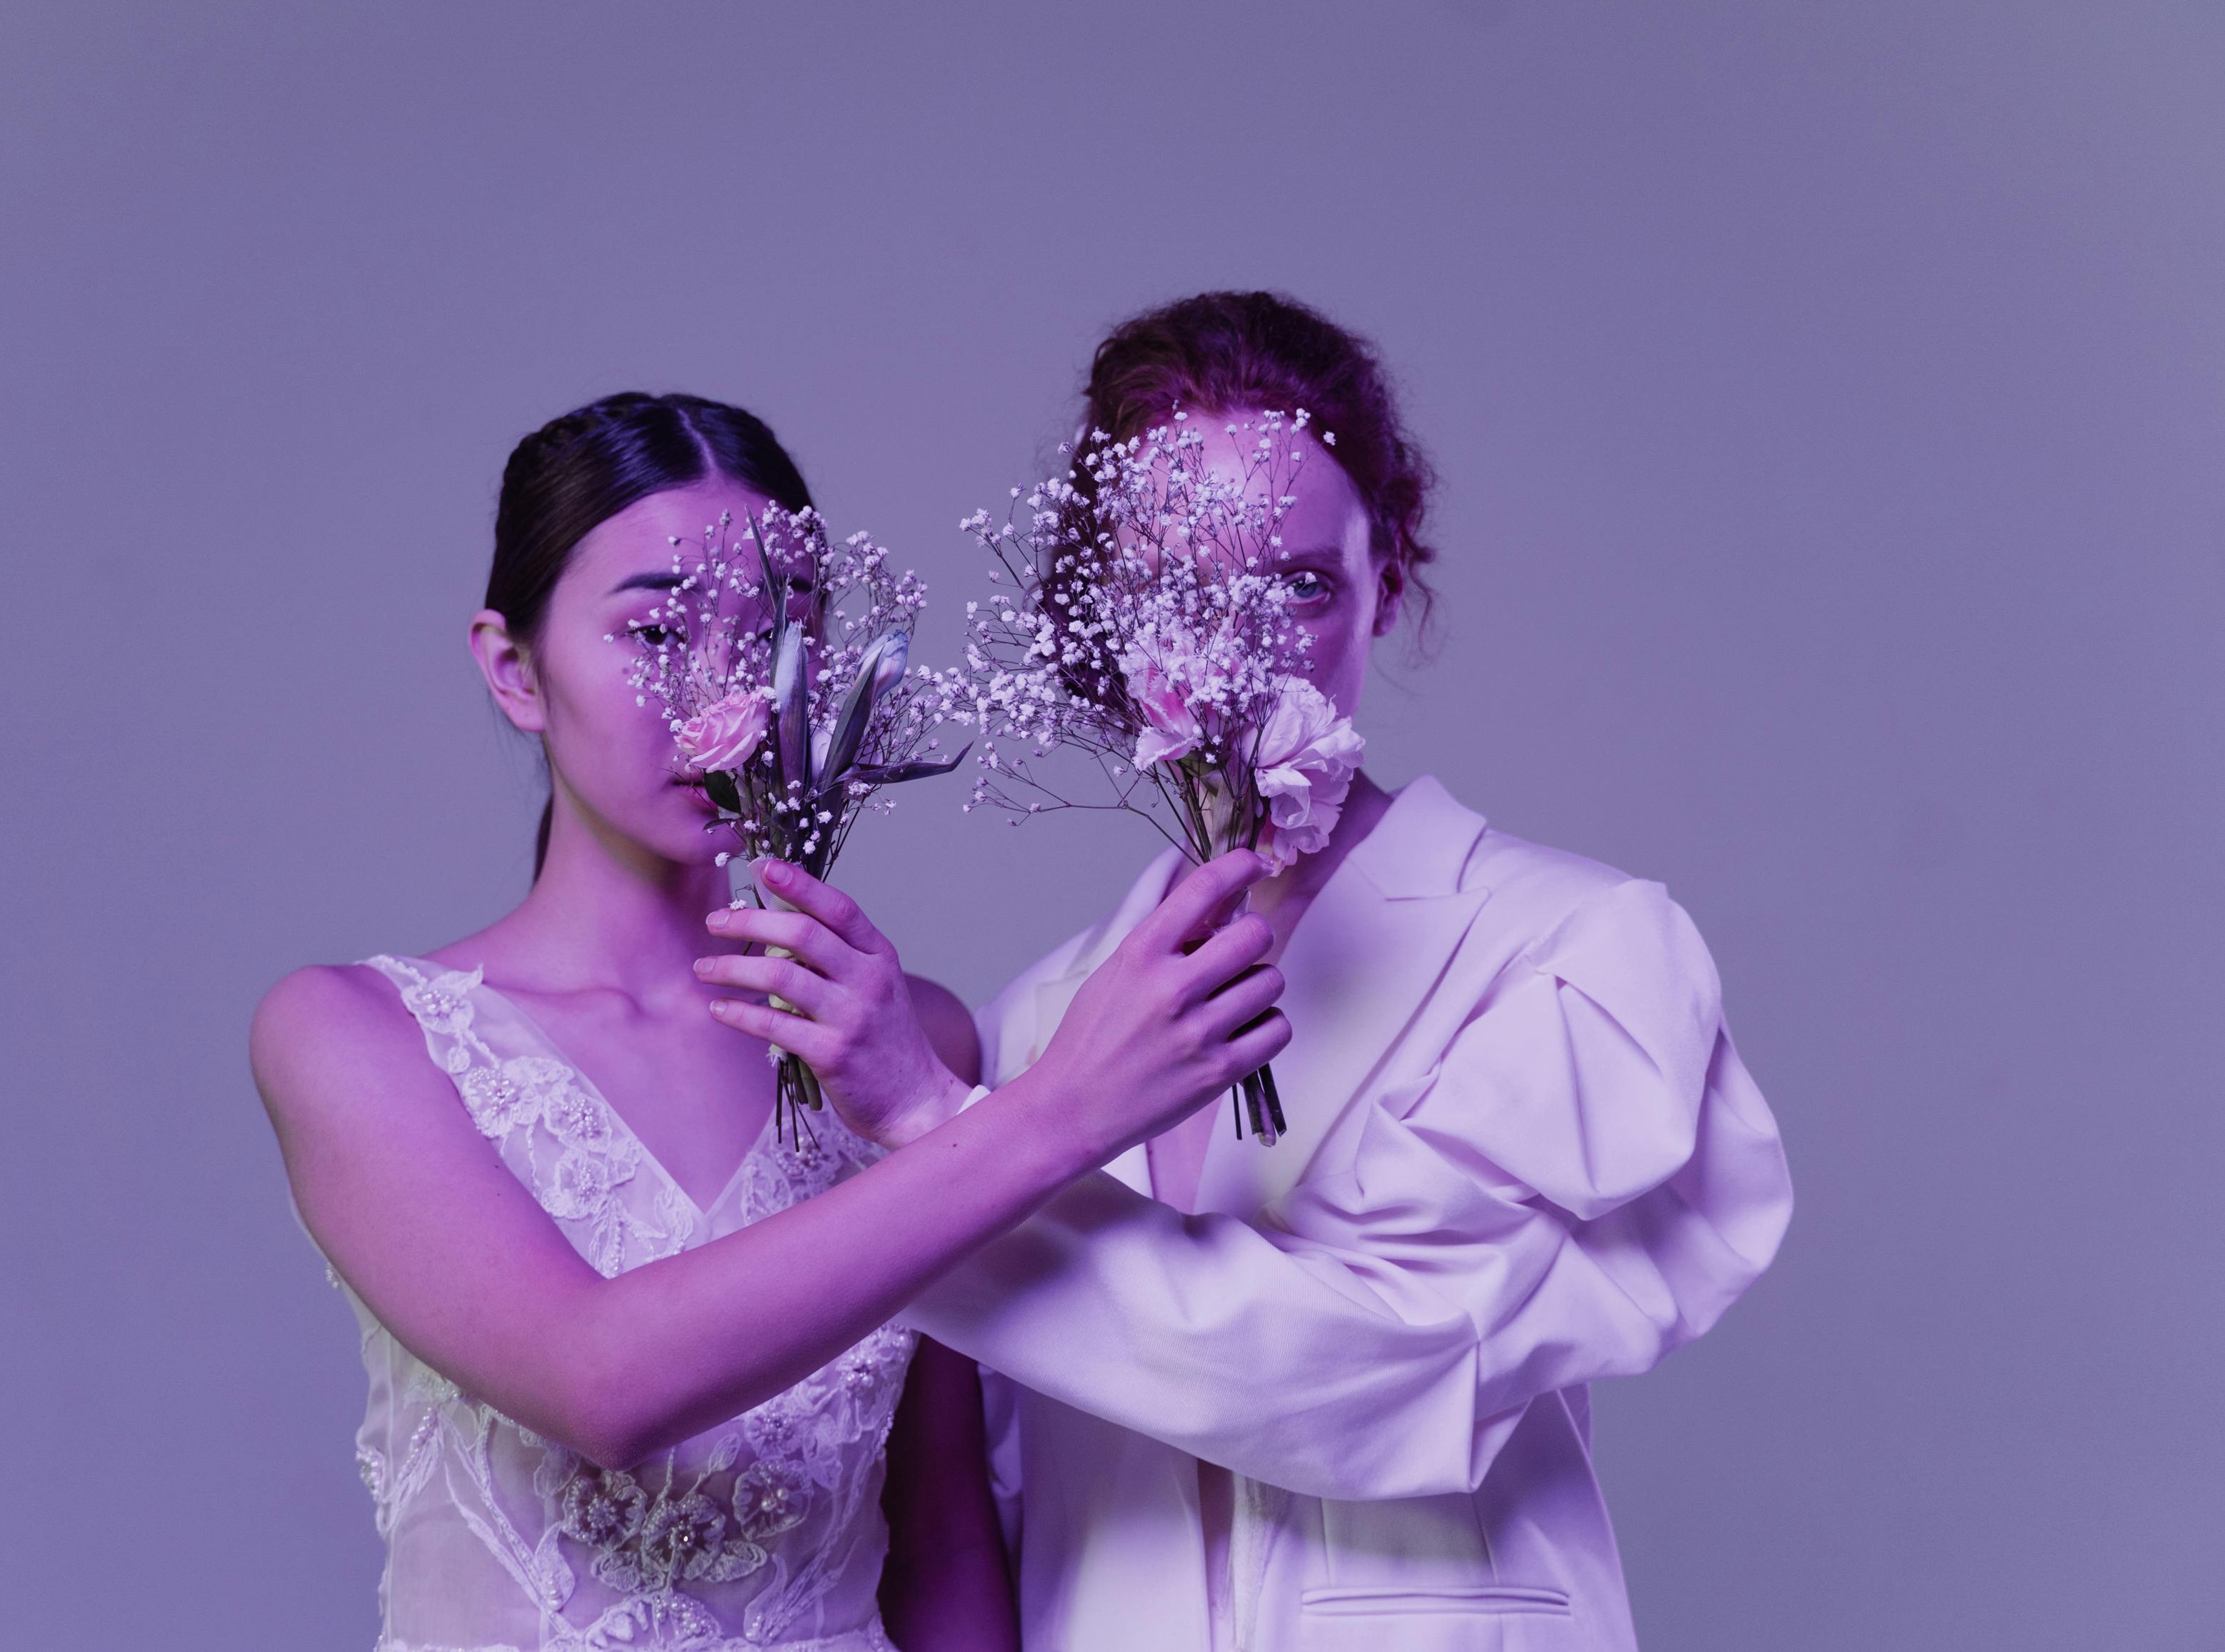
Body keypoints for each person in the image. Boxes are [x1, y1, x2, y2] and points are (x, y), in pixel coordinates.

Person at [730, 295, 1795, 1651]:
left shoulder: (1572, 955)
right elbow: (976, 1508)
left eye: (1298, 584)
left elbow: (1383, 1372)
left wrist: (949, 1133)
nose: (1238, 651)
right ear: (1097, 612)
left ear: (1387, 581)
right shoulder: (1043, 1019)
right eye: (1175, 590)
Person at [249, 391, 1294, 1651]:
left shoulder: (912, 1049)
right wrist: (1055, 1115)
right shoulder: (355, 1035)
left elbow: (944, 1540)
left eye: (779, 634)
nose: (724, 699)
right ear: (513, 668)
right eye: (654, 630)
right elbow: (600, 1382)